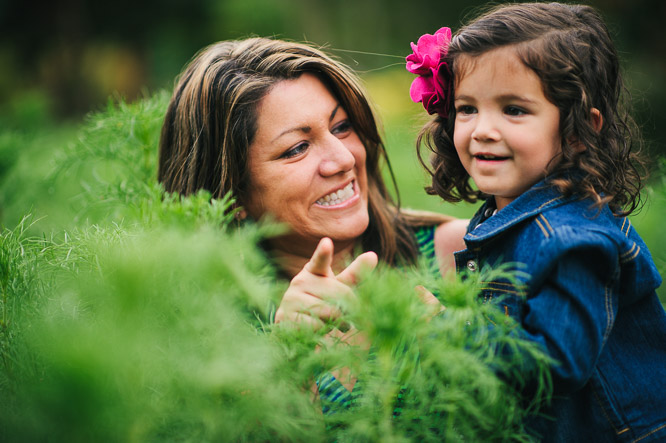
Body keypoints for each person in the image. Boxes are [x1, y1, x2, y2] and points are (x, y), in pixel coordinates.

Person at [158, 37, 467, 414]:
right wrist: (288, 363)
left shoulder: (459, 254)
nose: (342, 159)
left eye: (341, 127)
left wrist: (458, 349)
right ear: (229, 194)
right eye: (297, 148)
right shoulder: (205, 339)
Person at [408, 2, 666, 442]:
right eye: (467, 108)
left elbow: (556, 361)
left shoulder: (572, 239)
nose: (482, 129)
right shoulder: (510, 214)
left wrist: (449, 327)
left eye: (514, 110)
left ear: (578, 131)